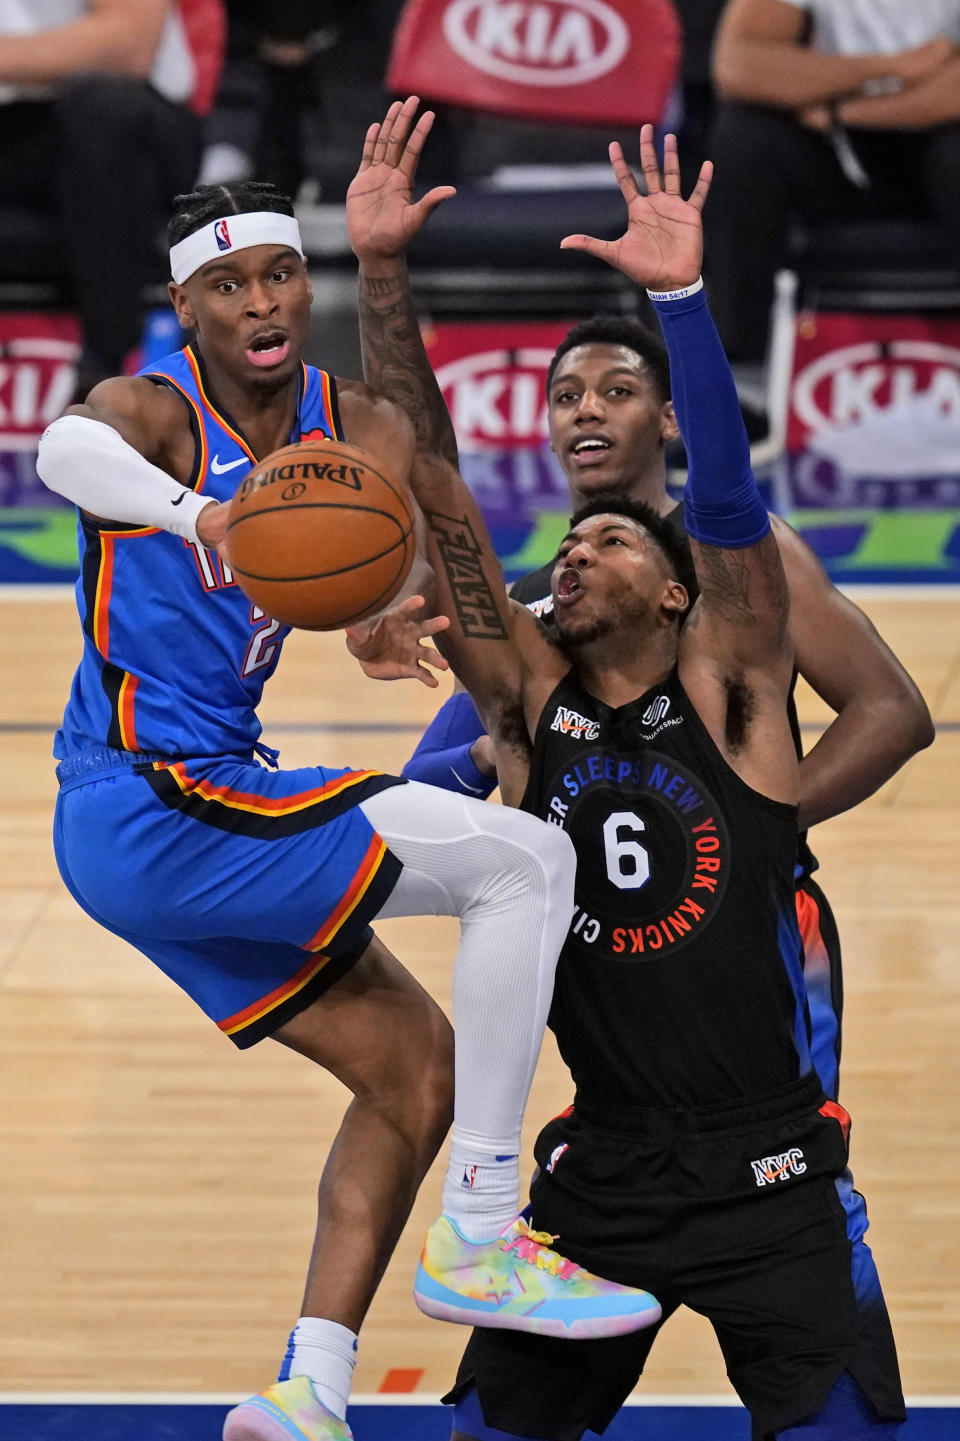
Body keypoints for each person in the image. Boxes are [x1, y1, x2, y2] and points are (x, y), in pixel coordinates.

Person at [35, 111, 663, 1441]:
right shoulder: (156, 414)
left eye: (274, 275)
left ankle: (308, 1387)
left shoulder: (344, 424)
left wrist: (387, 600)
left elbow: (405, 502)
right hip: (150, 795)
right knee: (527, 864)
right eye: (225, 286)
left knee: (413, 1068)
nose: (258, 303)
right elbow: (60, 452)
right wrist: (197, 510)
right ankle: (485, 1232)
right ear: (185, 307)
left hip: (182, 812)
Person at [352, 123, 914, 1440]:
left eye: (608, 538)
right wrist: (382, 278)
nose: (576, 548)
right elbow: (435, 487)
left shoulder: (736, 693)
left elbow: (726, 507)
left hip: (773, 1171)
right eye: (571, 541)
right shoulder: (530, 706)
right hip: (607, 1165)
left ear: (678, 585)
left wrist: (682, 298)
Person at [708, 0, 960, 363]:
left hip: (933, 140)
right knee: (745, 136)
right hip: (835, 151)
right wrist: (893, 67)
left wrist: (846, 112)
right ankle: (742, 374)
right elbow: (739, 64)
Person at [0, 0, 225, 397]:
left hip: (134, 122)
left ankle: (105, 380)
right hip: (16, 132)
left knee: (102, 108)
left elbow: (126, 46)